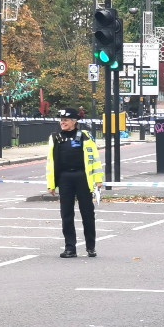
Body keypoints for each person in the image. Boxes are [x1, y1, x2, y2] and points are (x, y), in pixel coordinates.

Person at [46, 108, 103, 258]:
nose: (62, 122)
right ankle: (70, 248)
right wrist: (51, 183)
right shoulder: (55, 137)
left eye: (66, 120)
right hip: (64, 178)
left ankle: (90, 246)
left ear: (74, 121)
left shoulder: (84, 136)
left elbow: (94, 158)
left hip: (82, 177)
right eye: (61, 120)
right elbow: (50, 163)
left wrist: (98, 179)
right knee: (66, 215)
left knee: (87, 214)